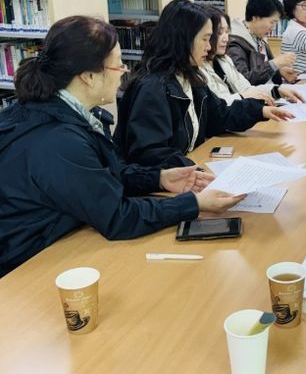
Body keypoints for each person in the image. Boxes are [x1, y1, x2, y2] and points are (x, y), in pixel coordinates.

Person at [0, 16, 245, 278]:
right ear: (88, 76)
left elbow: (99, 177)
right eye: (118, 65)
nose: (124, 72)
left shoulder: (60, 113)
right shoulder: (59, 140)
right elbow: (117, 217)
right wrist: (194, 203)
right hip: (28, 267)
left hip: (59, 240)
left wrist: (159, 178)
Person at [113, 0, 293, 168]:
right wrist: (196, 169)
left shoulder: (190, 77)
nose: (209, 47)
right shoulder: (152, 89)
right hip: (167, 182)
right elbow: (151, 156)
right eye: (205, 39)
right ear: (184, 40)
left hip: (187, 172)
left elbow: (218, 115)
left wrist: (259, 110)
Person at [202, 5, 305, 106]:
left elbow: (246, 88)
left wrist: (276, 90)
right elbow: (219, 106)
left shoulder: (224, 60)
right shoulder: (235, 45)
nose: (226, 38)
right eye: (220, 32)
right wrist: (274, 64)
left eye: (226, 32)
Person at [228, 0, 299, 86]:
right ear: (255, 17)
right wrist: (275, 64)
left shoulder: (258, 36)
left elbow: (261, 68)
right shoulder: (235, 44)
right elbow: (244, 82)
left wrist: (279, 72)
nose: (273, 28)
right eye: (272, 22)